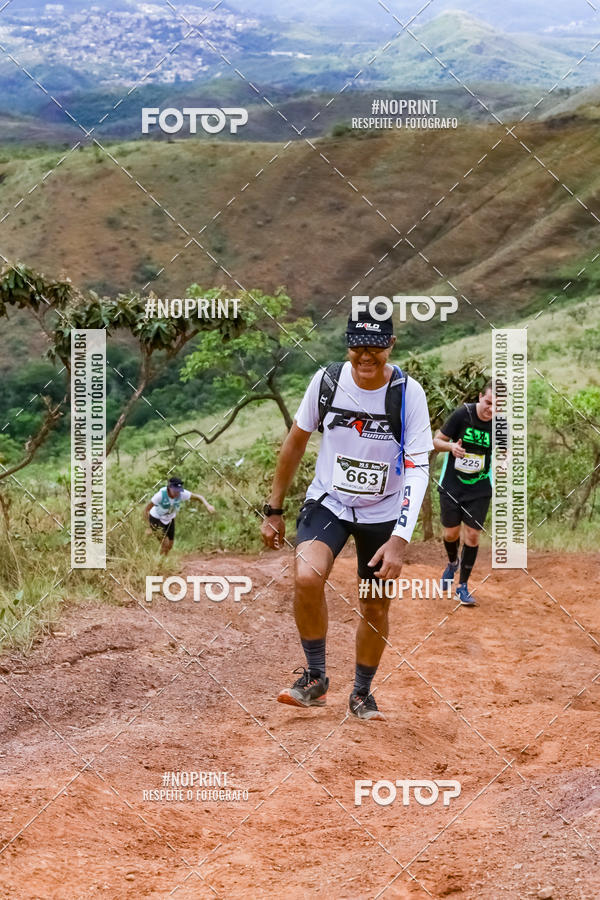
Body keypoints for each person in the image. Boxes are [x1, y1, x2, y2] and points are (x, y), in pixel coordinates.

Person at [260, 309, 433, 721]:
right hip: (330, 503)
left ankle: (361, 692)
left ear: (391, 345)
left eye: (375, 346)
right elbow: (295, 443)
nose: (365, 355)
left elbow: (418, 468)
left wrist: (400, 537)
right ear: (347, 346)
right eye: (357, 345)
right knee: (306, 576)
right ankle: (316, 679)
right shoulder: (328, 381)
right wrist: (274, 508)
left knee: (374, 606)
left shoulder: (409, 394)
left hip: (384, 512)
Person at [433, 381, 494, 607]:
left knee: (473, 535)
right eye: (488, 403)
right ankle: (452, 562)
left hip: (479, 488)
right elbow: (436, 441)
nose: (491, 409)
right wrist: (452, 448)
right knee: (450, 534)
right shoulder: (462, 414)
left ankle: (463, 586)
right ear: (480, 397)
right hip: (452, 485)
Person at [143, 476, 215, 555]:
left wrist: (207, 505)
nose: (177, 493)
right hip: (156, 519)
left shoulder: (182, 494)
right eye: (175, 491)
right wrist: (148, 526)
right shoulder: (160, 495)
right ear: (169, 488)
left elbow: (199, 497)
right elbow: (146, 510)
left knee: (170, 545)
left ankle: (163, 560)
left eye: (179, 491)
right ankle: (160, 563)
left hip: (170, 519)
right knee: (165, 543)